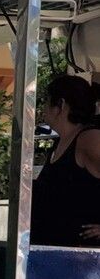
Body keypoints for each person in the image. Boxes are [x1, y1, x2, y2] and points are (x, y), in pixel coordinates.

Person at [32, 74, 100, 247]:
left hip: (82, 257)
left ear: (60, 105)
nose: (43, 108)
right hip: (53, 253)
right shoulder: (60, 142)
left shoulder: (89, 139)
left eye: (47, 102)